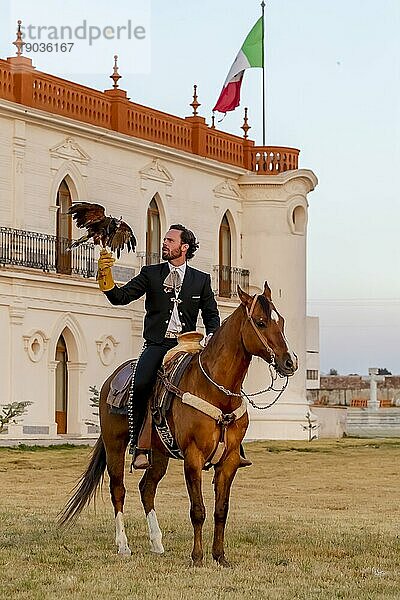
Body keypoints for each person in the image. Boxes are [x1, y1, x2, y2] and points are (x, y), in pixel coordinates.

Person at [97, 224, 220, 469]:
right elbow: (120, 298)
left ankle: (233, 446)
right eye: (165, 240)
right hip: (157, 345)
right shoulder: (150, 274)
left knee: (220, 379)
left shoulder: (201, 280)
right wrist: (105, 277)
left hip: (189, 344)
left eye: (171, 241)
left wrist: (212, 335)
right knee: (141, 382)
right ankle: (139, 446)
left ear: (184, 248)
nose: (165, 244)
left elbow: (211, 315)